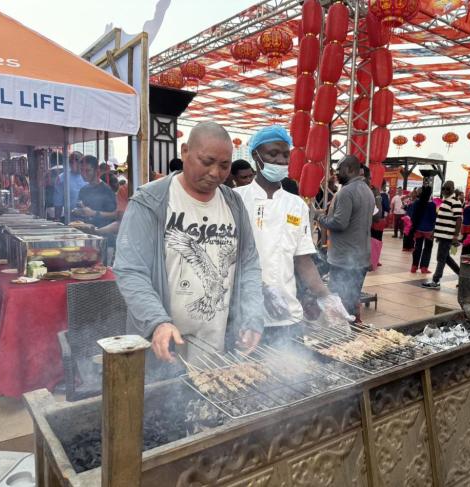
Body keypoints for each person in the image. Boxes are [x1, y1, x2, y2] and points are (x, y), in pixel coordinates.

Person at [114, 122, 264, 372]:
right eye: (207, 161)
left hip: (218, 347)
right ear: (184, 152)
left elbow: (248, 264)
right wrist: (157, 322)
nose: (216, 173)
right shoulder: (150, 201)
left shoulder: (233, 203)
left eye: (224, 166)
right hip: (164, 349)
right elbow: (130, 270)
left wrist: (252, 316)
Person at [235, 126, 351, 343]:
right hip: (246, 316)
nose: (280, 160)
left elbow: (303, 260)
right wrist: (261, 289)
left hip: (287, 315)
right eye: (272, 154)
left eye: (285, 155)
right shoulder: (236, 200)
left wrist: (326, 297)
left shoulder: (296, 204)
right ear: (255, 156)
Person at [313, 156, 374, 317]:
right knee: (351, 299)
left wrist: (317, 217)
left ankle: (341, 336)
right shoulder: (366, 189)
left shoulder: (347, 192)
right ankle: (351, 332)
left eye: (339, 170)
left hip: (345, 259)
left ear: (350, 169)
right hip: (359, 257)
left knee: (340, 303)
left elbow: (339, 224)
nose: (336, 174)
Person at [422, 181, 461, 289]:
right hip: (442, 235)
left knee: (441, 258)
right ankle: (463, 276)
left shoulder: (455, 201)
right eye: (443, 188)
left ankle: (436, 281)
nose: (445, 191)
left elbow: (459, 219)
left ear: (453, 189)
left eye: (448, 188)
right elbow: (440, 219)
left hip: (447, 235)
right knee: (446, 258)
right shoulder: (445, 201)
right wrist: (435, 232)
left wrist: (455, 236)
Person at [72, 155, 117, 229]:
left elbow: (115, 214)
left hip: (104, 234)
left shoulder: (106, 190)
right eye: (81, 170)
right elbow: (83, 211)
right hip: (88, 233)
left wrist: (93, 213)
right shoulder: (83, 190)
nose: (83, 174)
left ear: (96, 170)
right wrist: (78, 211)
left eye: (87, 170)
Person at [407, 186, 436, 273]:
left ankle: (414, 267)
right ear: (430, 193)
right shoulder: (432, 205)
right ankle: (424, 267)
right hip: (429, 230)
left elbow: (412, 216)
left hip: (418, 229)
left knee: (417, 247)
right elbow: (433, 218)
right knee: (427, 248)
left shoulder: (417, 203)